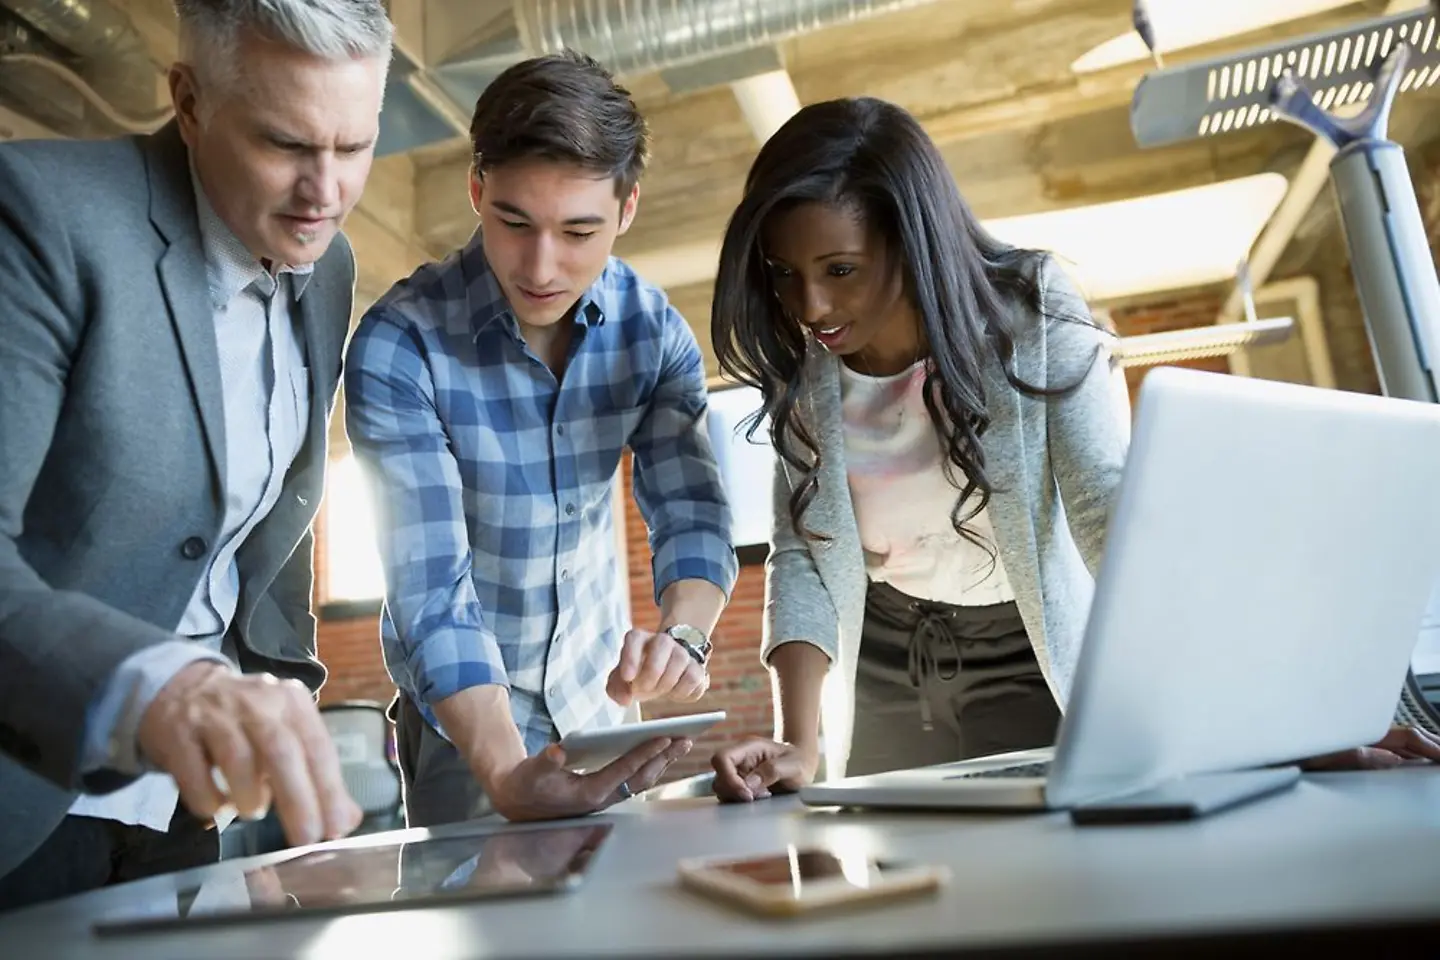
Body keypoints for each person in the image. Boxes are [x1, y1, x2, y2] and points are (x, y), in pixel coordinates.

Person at [708, 97, 1440, 802]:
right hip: (887, 663)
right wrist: (797, 741)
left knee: (1060, 885)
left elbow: (1110, 512)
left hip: (1026, 650)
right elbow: (802, 553)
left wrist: (1287, 714)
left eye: (840, 270)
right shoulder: (806, 374)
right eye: (783, 275)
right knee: (911, 902)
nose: (810, 308)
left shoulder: (1032, 310)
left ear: (911, 239)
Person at [0, 0, 393, 909]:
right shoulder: (39, 219)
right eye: (286, 144)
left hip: (188, 810)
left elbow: (267, 528)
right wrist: (163, 689)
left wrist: (279, 720)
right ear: (188, 100)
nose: (325, 191)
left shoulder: (323, 268)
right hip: (26, 793)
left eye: (355, 146)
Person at [344, 51, 738, 828]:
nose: (541, 266)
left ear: (627, 210)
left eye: (579, 231)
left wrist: (684, 635)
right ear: (476, 190)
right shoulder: (399, 345)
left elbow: (692, 513)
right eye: (513, 222)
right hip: (468, 727)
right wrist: (504, 768)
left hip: (601, 710)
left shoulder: (651, 329)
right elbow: (431, 592)